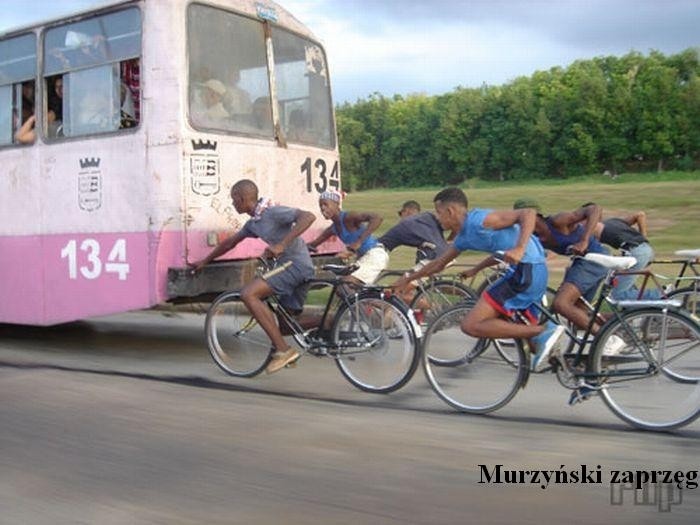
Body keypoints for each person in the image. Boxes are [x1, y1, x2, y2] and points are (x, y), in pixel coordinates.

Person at [392, 187, 564, 372]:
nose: (437, 217)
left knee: (471, 325)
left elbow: (528, 213)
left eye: (439, 212)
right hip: (529, 273)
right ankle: (569, 369)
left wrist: (520, 249)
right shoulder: (463, 238)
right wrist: (409, 278)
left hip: (526, 272)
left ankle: (543, 331)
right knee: (525, 336)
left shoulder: (480, 220)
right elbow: (438, 264)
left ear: (450, 211)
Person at [190, 179, 316, 374]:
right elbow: (230, 243)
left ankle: (283, 351)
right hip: (294, 267)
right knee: (286, 326)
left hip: (295, 265)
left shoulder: (272, 213)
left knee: (248, 294)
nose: (232, 204)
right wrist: (205, 261)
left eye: (233, 200)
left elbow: (308, 217)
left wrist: (282, 245)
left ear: (242, 198)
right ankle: (330, 324)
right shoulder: (253, 223)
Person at [513, 199, 625, 355]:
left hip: (594, 259)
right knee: (578, 316)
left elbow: (594, 209)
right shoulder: (533, 236)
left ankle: (609, 340)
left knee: (561, 304)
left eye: (523, 218)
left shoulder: (558, 221)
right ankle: (624, 324)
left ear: (535, 215)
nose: (521, 224)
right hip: (582, 263)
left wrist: (584, 240)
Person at [307, 190, 388, 286]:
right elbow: (313, 245)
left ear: (337, 204)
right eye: (321, 206)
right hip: (362, 258)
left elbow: (377, 218)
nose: (323, 208)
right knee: (343, 288)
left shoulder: (349, 217)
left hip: (374, 255)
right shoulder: (333, 228)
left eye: (326, 204)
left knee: (346, 284)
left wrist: (359, 242)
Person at [378, 200, 452, 304]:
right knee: (436, 287)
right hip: (449, 255)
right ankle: (471, 296)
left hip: (432, 260)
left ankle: (432, 308)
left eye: (401, 213)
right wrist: (446, 243)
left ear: (406, 211)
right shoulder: (429, 217)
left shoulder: (403, 225)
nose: (400, 217)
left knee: (395, 291)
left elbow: (381, 243)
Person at [583, 205, 658, 300]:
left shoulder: (593, 229)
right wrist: (643, 238)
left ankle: (659, 294)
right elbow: (640, 215)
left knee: (618, 295)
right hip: (645, 250)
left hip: (637, 254)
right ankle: (635, 307)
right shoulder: (613, 221)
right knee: (622, 281)